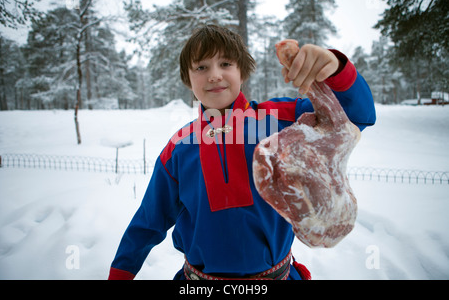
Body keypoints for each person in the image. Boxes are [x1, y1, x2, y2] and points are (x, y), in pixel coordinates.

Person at [108, 24, 376, 280]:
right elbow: (148, 220)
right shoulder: (180, 146)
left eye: (225, 64)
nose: (214, 74)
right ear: (188, 80)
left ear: (242, 72)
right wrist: (120, 272)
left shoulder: (278, 119)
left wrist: (336, 70)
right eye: (201, 67)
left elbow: (356, 116)